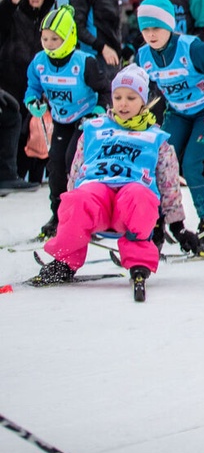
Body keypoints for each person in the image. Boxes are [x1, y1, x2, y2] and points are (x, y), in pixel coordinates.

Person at [28, 66, 185, 302]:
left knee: (139, 195)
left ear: (143, 101)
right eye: (118, 97)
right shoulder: (93, 128)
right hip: (97, 199)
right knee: (79, 197)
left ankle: (139, 262)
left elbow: (169, 182)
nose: (123, 103)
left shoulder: (156, 137)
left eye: (131, 98)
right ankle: (65, 260)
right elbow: (77, 168)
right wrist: (70, 198)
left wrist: (176, 223)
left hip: (129, 203)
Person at [135, 0, 204, 254]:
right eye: (145, 29)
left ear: (169, 25)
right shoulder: (143, 56)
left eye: (156, 27)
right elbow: (140, 91)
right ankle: (156, 227)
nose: (151, 34)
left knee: (191, 165)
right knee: (156, 164)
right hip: (178, 113)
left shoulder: (192, 48)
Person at [25, 4, 110, 238]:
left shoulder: (84, 62)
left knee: (74, 162)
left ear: (69, 37)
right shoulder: (39, 61)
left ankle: (84, 216)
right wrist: (33, 101)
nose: (49, 44)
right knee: (56, 167)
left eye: (55, 39)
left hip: (85, 120)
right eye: (45, 38)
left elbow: (105, 90)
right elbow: (33, 86)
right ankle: (59, 215)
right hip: (62, 120)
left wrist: (99, 111)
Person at [0, 0, 55, 185]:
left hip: (34, 88)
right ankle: (8, 174)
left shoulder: (48, 22)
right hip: (8, 83)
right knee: (10, 128)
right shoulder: (14, 15)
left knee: (29, 133)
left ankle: (18, 175)